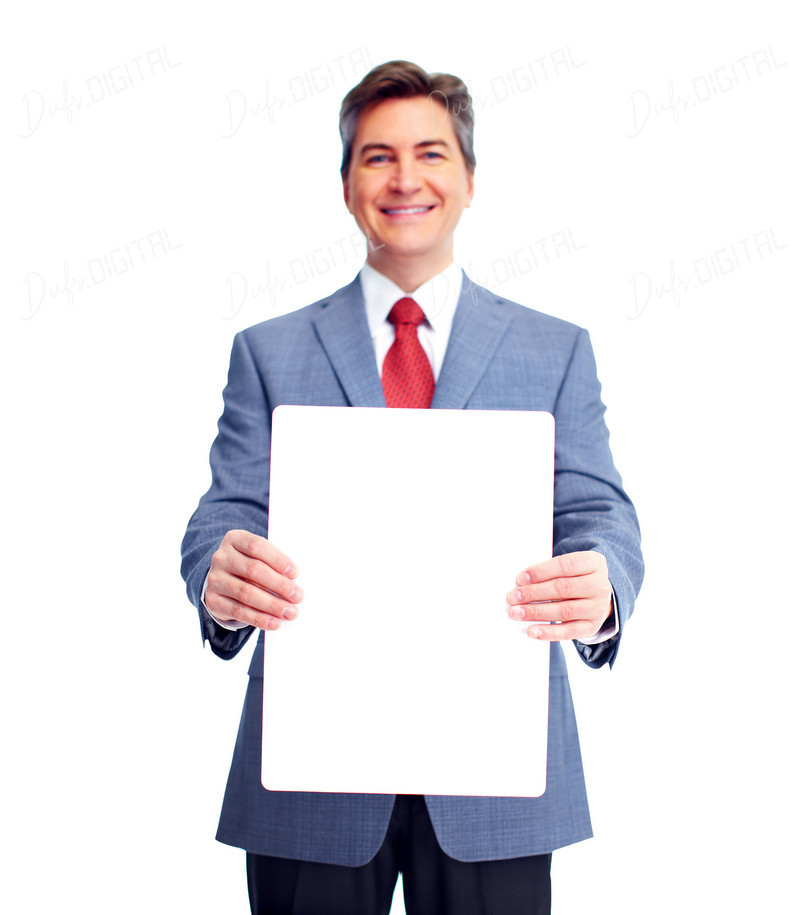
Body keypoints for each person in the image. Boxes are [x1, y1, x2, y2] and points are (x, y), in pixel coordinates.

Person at [181, 60, 643, 915]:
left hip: (495, 768)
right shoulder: (268, 349)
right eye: (376, 156)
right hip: (311, 766)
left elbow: (596, 509)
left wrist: (603, 580)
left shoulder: (556, 349)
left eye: (430, 153)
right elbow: (229, 509)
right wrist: (218, 566)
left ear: (468, 179)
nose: (403, 179)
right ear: (346, 183)